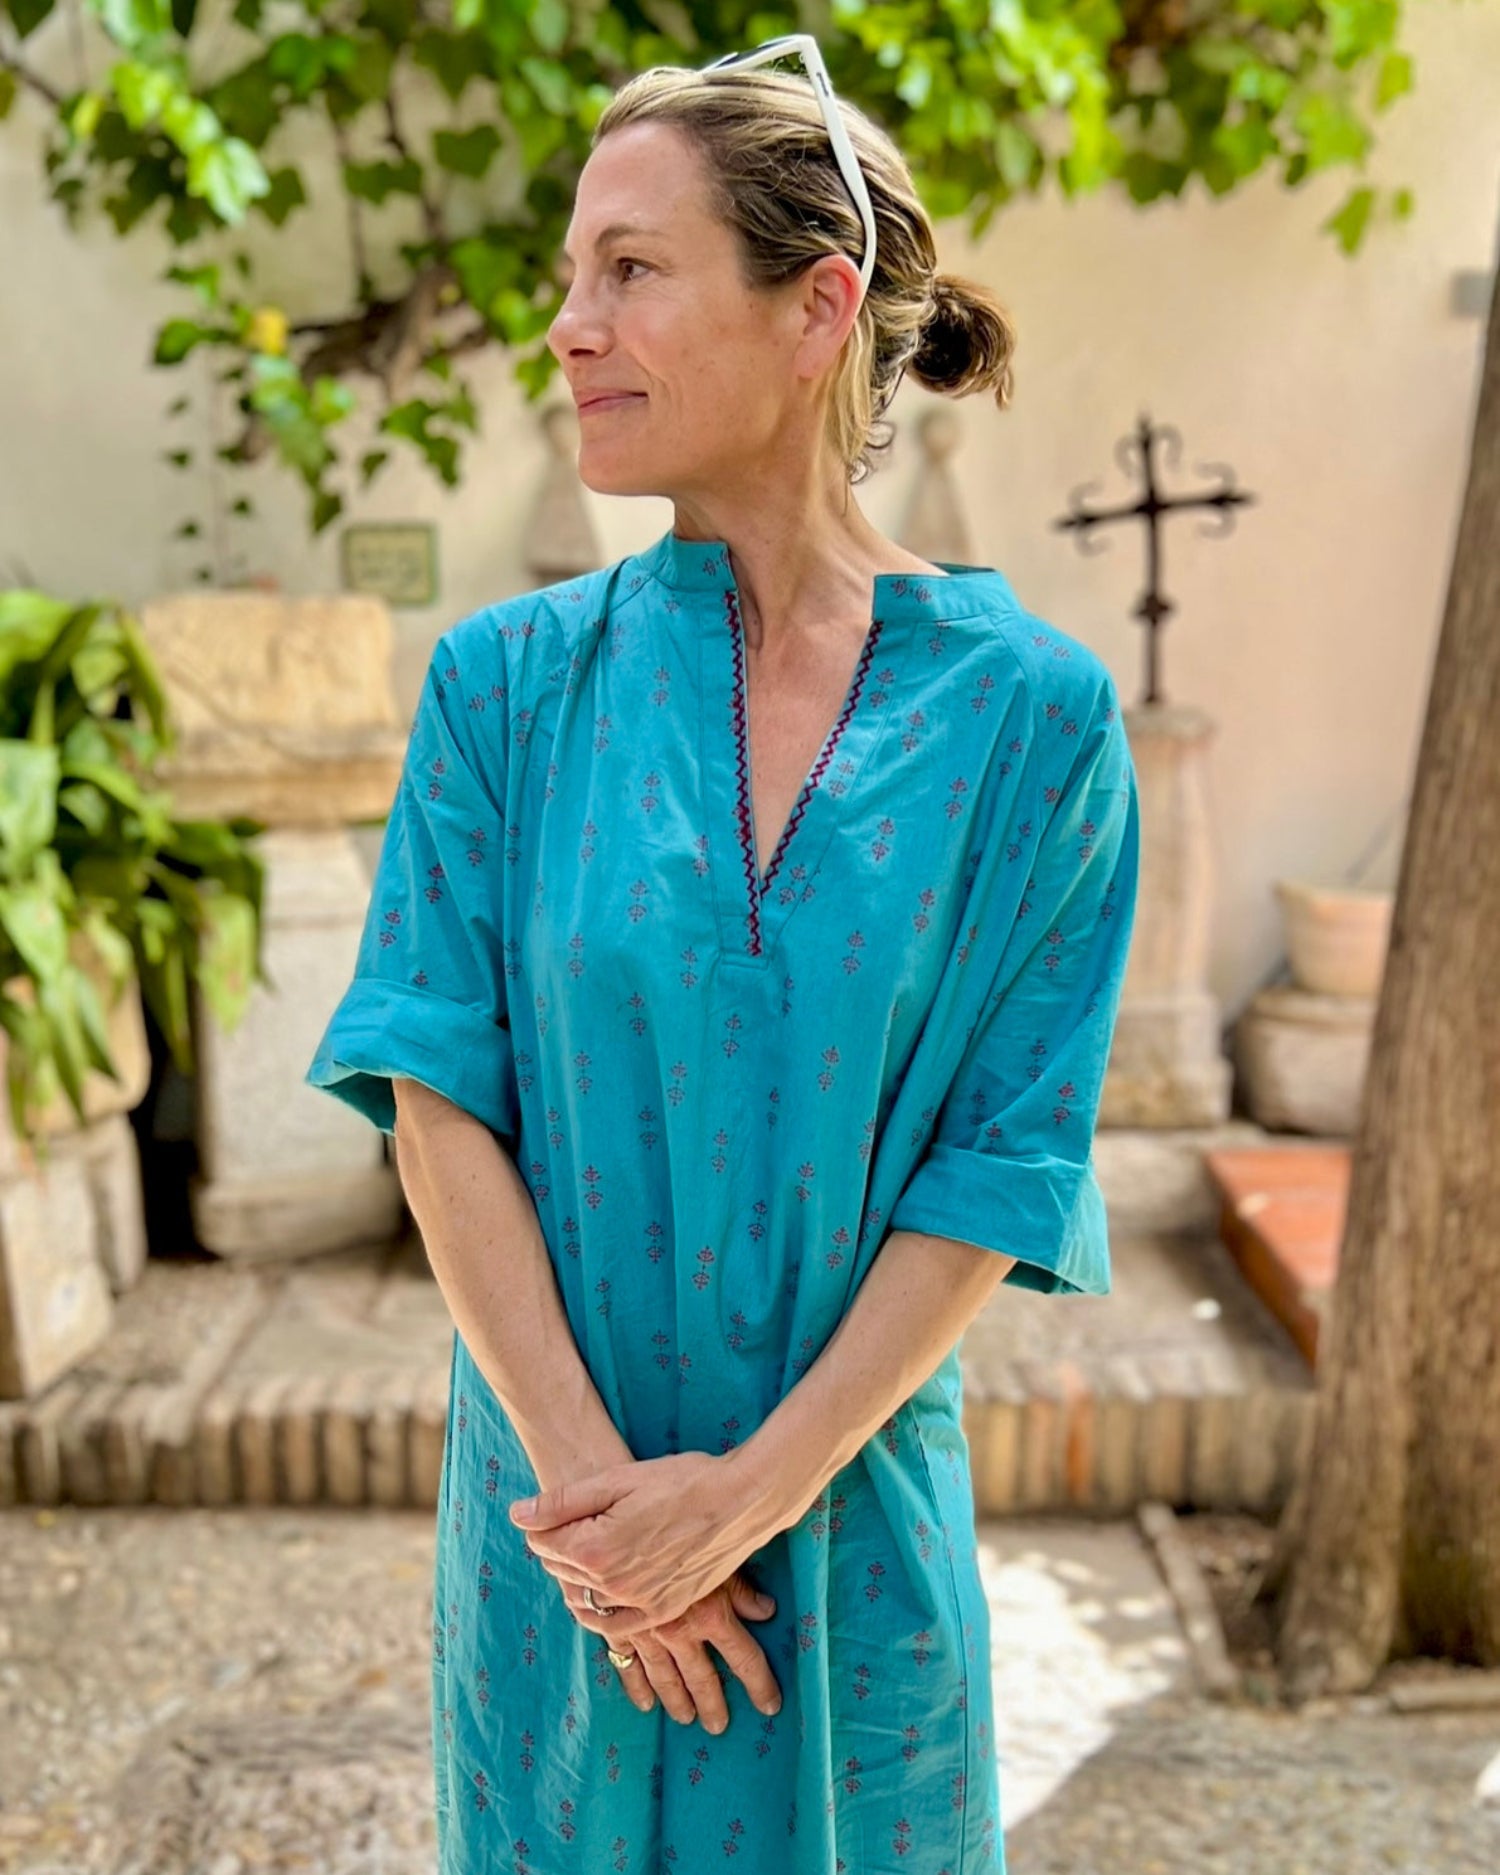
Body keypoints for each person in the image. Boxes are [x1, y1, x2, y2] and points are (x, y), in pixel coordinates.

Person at [304, 32, 1140, 1875]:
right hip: (561, 1540)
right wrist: (616, 1531)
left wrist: (748, 1502)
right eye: (567, 278)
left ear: (815, 309)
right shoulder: (501, 692)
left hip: (845, 1550)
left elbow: (1000, 1165)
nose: (568, 328)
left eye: (631, 270)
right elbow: (438, 1100)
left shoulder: (1039, 727)